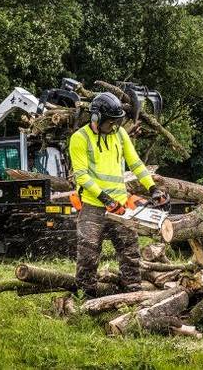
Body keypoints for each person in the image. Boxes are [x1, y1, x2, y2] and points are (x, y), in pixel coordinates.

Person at [69, 92, 169, 296]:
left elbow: (135, 163)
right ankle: (85, 297)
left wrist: (153, 188)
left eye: (117, 122)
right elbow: (82, 176)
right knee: (88, 255)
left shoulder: (120, 134)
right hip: (93, 206)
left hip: (121, 204)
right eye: (110, 123)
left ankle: (133, 294)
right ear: (96, 118)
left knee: (130, 253)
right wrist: (105, 199)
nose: (113, 127)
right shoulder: (80, 138)